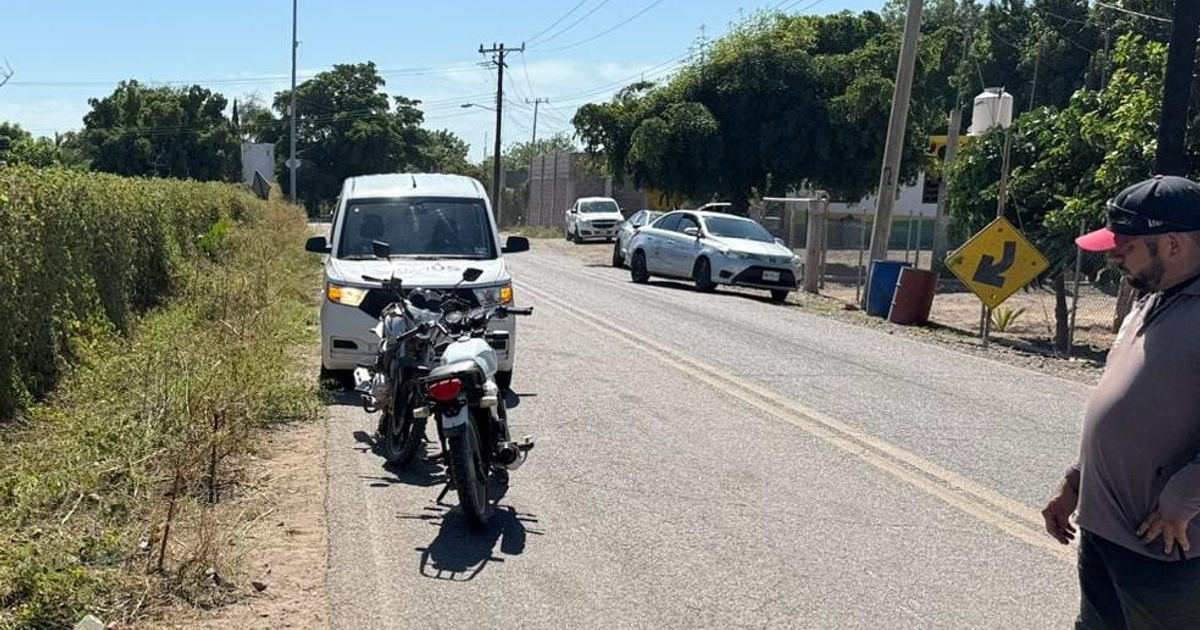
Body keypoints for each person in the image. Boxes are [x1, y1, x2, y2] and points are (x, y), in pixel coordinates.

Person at [1043, 175, 1200, 629]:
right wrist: (1076, 481)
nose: (1114, 257)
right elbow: (1126, 407)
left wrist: (1182, 499)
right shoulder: (1151, 301)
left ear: (1172, 244)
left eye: (1126, 247)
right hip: (1106, 532)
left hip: (1167, 550)